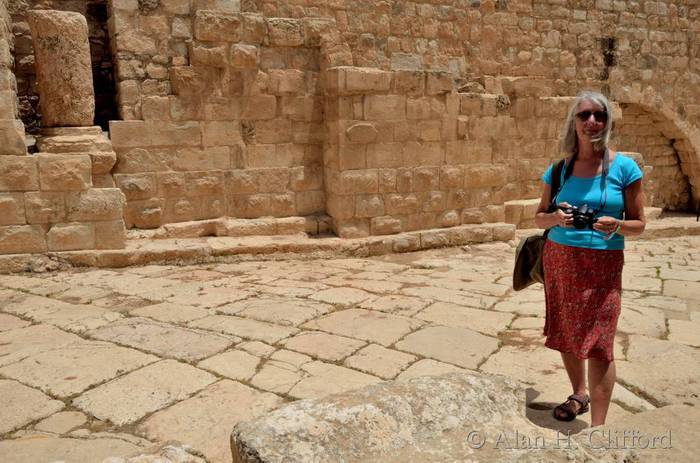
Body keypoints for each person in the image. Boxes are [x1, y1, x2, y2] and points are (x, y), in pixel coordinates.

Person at [534, 90, 646, 426]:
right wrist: (556, 218)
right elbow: (539, 216)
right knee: (568, 330)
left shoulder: (625, 168)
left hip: (603, 264)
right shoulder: (559, 170)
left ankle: (598, 429)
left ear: (608, 122)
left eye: (600, 115)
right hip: (561, 258)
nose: (592, 121)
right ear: (574, 122)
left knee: (600, 341)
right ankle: (579, 393)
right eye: (584, 115)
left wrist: (617, 224)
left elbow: (639, 224)